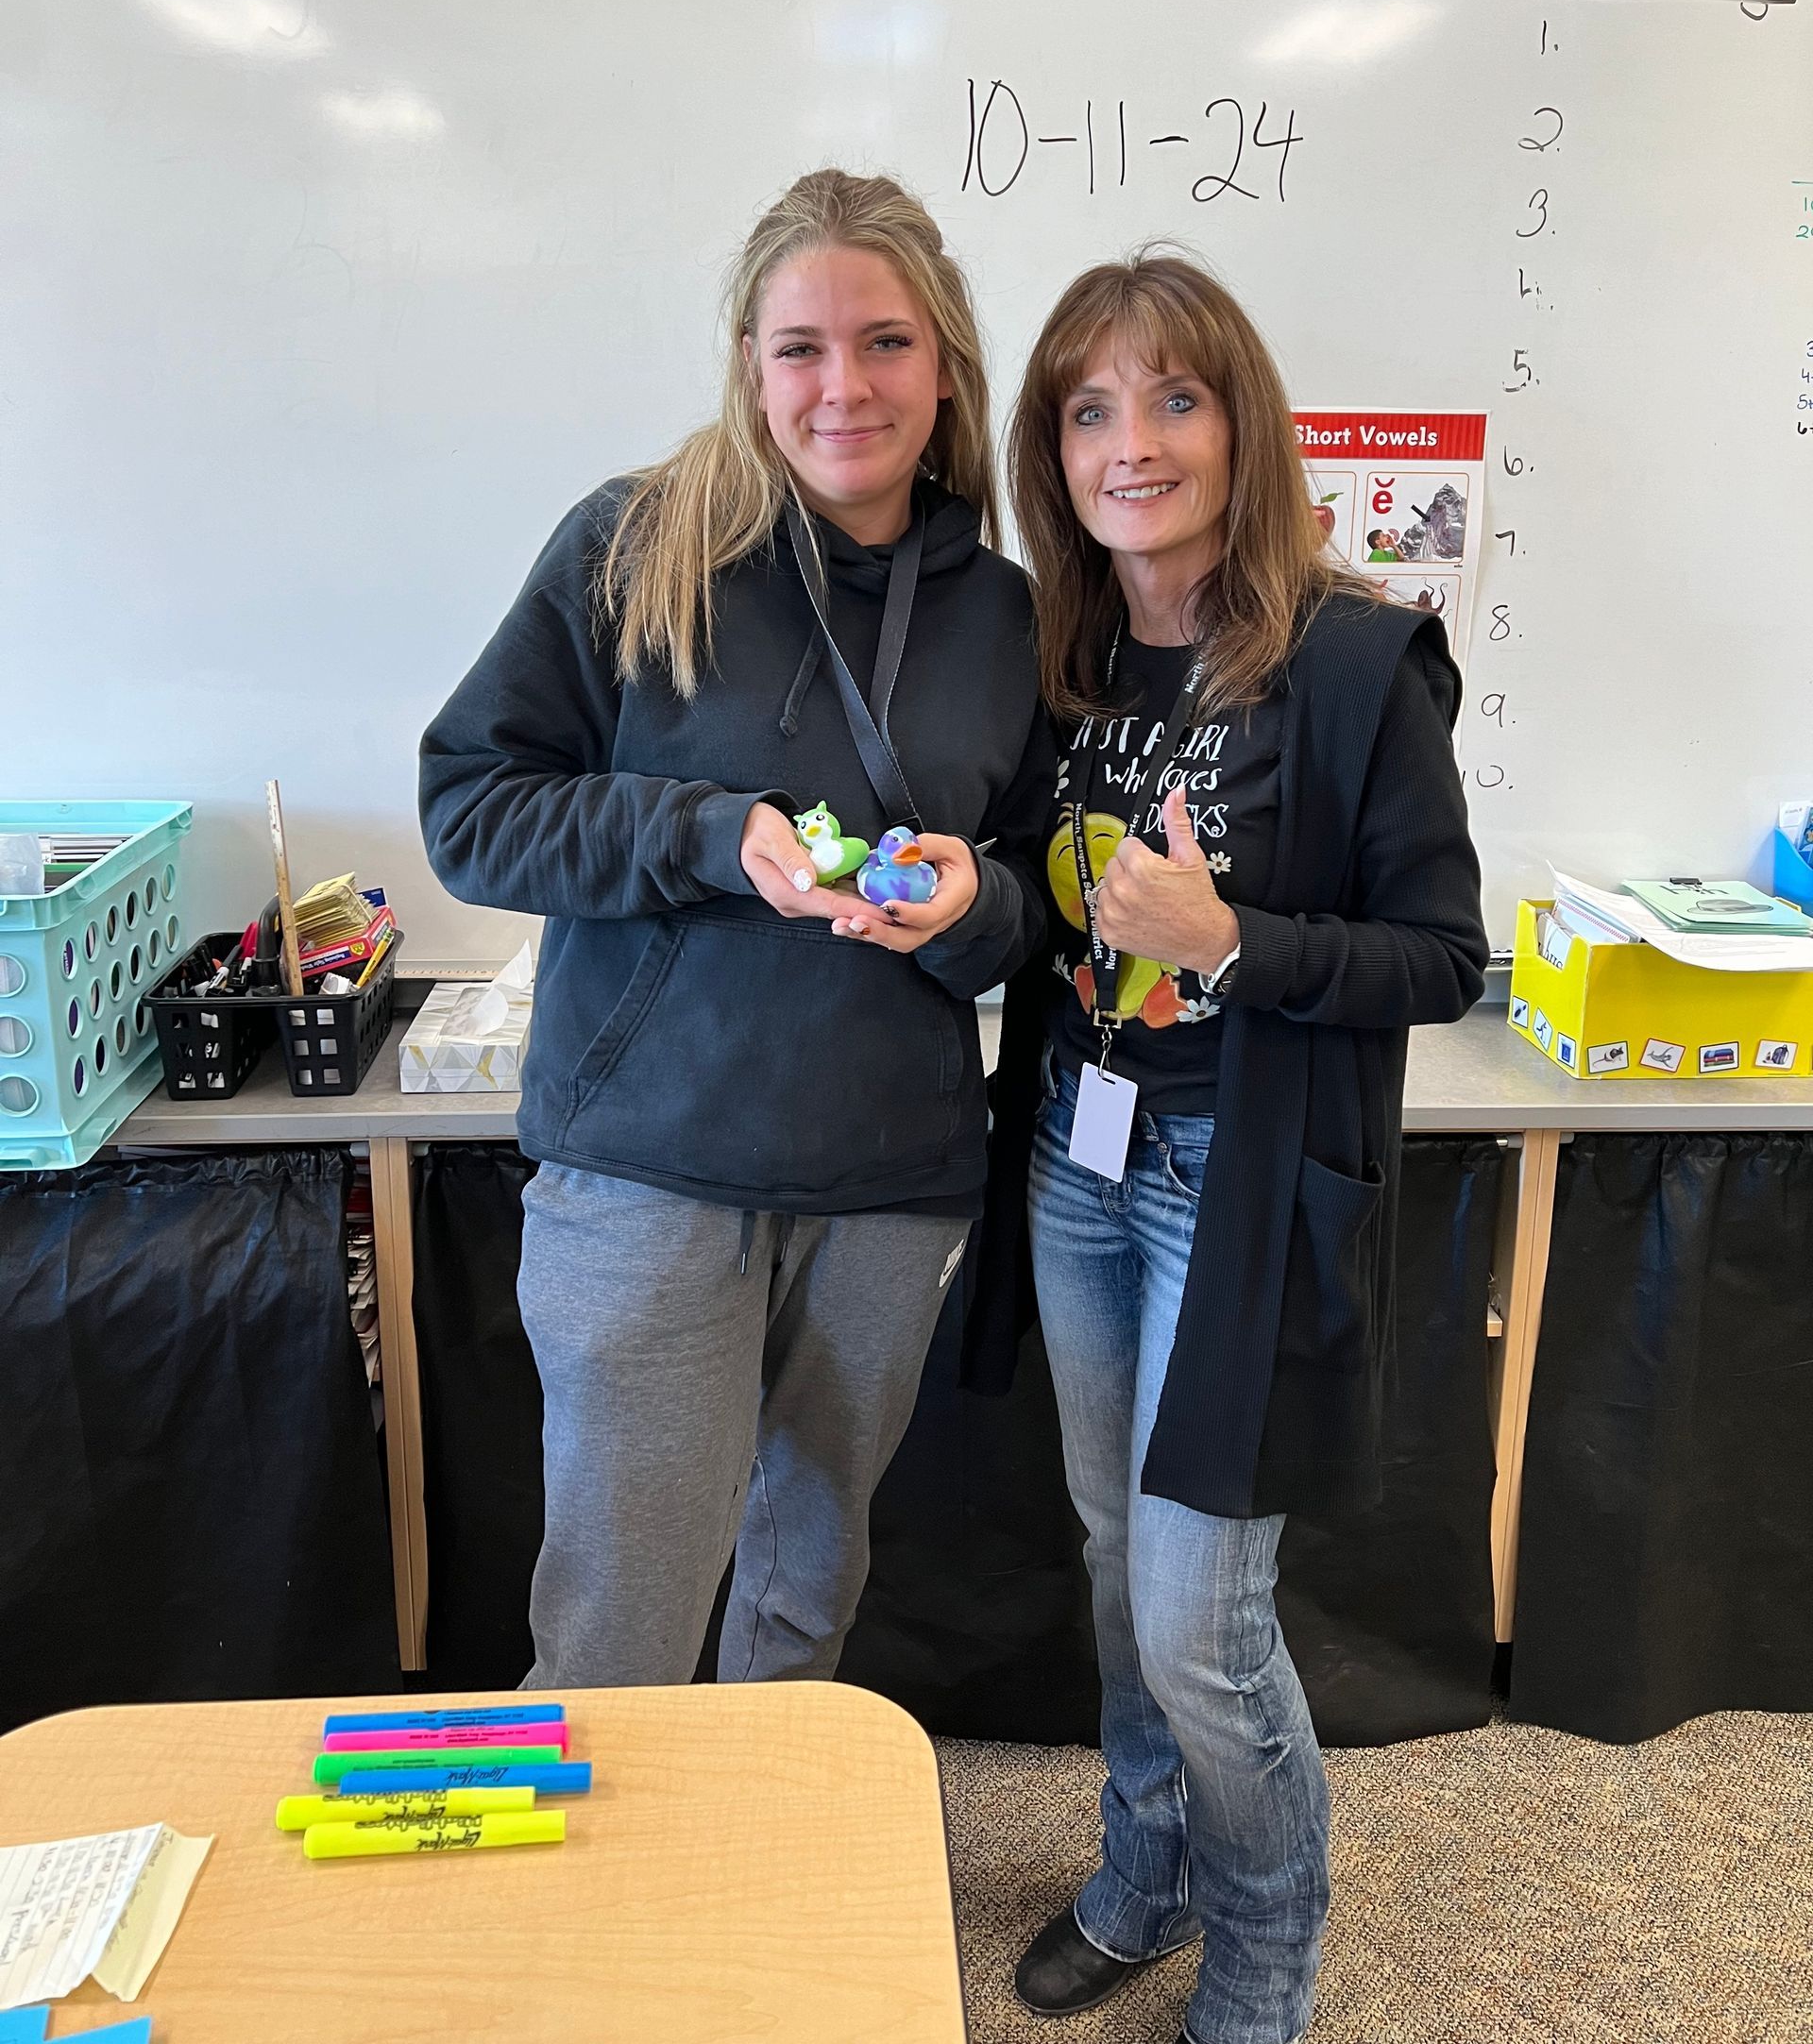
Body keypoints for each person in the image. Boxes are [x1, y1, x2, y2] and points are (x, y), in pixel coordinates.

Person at [419, 169, 1051, 1691]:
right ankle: (589, 1932)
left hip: (889, 1190)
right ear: (749, 364)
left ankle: (751, 1913)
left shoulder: (1008, 612)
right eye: (802, 349)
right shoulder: (637, 547)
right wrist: (705, 833)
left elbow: (1041, 891)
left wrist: (975, 910)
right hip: (650, 1176)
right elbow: (473, 807)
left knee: (802, 1605)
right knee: (620, 1629)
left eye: (887, 342)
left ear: (948, 359)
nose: (846, 387)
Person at [991, 252, 1487, 2044]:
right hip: (1074, 1159)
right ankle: (1147, 1868)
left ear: (1240, 421)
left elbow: (1443, 955)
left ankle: (1267, 1947)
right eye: (1092, 407)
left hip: (1243, 1191)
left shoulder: (1356, 660)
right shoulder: (1055, 652)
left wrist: (1233, 946)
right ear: (1055, 447)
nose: (1134, 442)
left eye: (1175, 398)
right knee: (1116, 1563)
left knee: (1204, 1617)